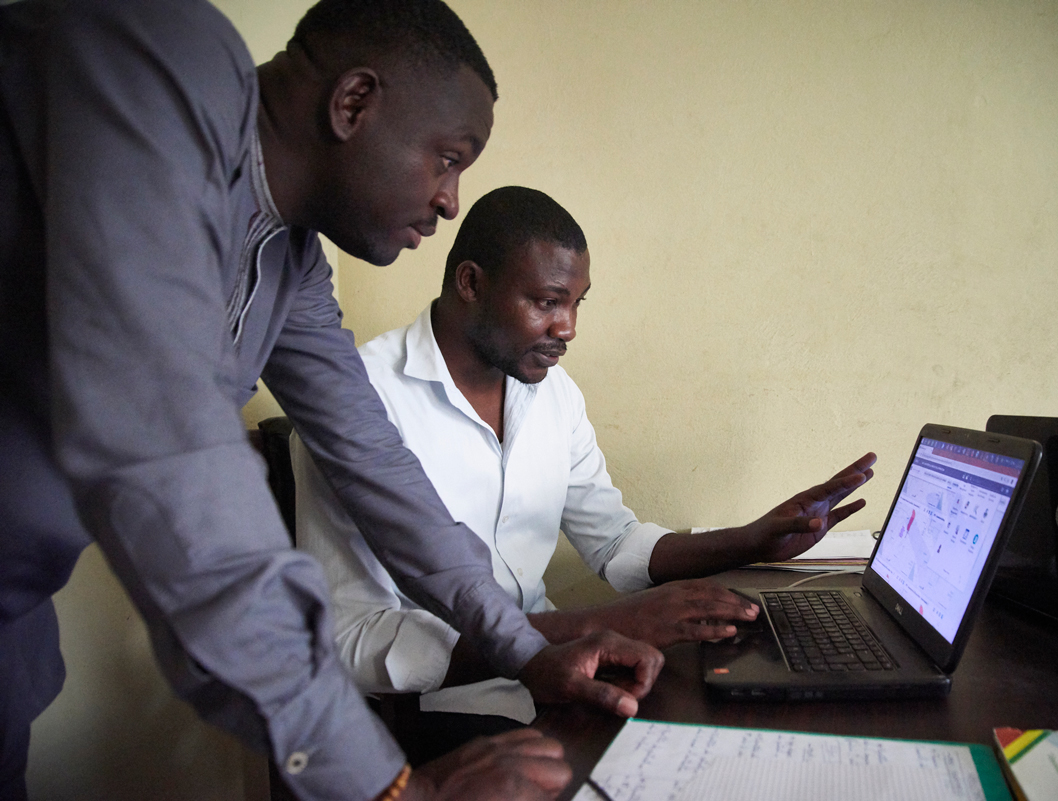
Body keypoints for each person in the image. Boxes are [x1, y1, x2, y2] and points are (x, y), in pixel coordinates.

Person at [0, 2, 661, 799]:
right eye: (448, 159)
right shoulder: (163, 54)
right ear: (353, 104)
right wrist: (391, 786)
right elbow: (171, 462)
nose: (452, 201)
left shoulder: (292, 263)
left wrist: (522, 648)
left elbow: (381, 467)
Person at [293, 186, 877, 735]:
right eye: (547, 302)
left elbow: (615, 543)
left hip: (559, 676)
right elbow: (354, 639)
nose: (567, 327)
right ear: (470, 282)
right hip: (438, 709)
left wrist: (750, 542)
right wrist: (601, 625)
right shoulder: (359, 402)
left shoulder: (551, 392)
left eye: (575, 304)